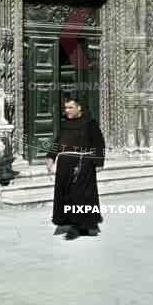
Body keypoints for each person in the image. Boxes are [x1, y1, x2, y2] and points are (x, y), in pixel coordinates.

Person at [45, 96, 105, 240]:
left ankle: (79, 226)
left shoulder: (90, 124)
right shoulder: (66, 124)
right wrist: (51, 157)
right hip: (65, 164)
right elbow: (58, 141)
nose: (67, 111)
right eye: (66, 108)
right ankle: (73, 222)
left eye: (70, 107)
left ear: (79, 108)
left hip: (83, 163)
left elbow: (99, 143)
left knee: (81, 195)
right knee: (66, 195)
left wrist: (98, 163)